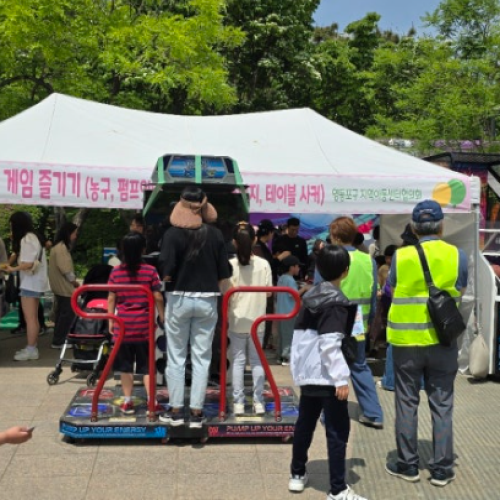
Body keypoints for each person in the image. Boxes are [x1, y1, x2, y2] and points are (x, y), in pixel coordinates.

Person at [385, 200, 467, 487]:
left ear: (414, 227)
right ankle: (442, 469)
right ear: (441, 225)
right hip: (443, 341)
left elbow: (392, 288)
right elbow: (460, 290)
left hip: (406, 342)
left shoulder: (400, 257)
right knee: (442, 403)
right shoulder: (458, 256)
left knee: (406, 402)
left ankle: (408, 465)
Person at [289, 244, 368, 500]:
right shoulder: (336, 302)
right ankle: (337, 489)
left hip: (308, 372)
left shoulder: (309, 297)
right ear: (345, 271)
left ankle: (297, 474)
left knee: (305, 424)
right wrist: (340, 378)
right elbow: (330, 343)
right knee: (337, 431)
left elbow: (301, 339)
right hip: (327, 375)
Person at [158, 186, 231, 428]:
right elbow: (224, 271)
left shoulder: (172, 234)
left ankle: (176, 410)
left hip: (178, 298)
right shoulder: (215, 234)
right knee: (202, 357)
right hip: (208, 298)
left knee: (176, 356)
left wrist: (169, 275)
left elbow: (165, 268)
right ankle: (197, 412)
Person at [323, 217, 384, 429]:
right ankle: (373, 414)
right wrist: (370, 322)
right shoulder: (368, 261)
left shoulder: (329, 258)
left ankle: (330, 415)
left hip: (333, 321)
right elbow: (373, 296)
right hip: (359, 322)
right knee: (359, 365)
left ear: (335, 236)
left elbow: (319, 293)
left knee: (330, 366)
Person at [107, 232, 164, 415]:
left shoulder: (116, 272)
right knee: (148, 367)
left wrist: (111, 319)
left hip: (123, 326)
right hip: (144, 326)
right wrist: (162, 315)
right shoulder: (150, 271)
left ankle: (127, 401)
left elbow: (111, 297)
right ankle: (152, 401)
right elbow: (157, 296)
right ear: (143, 249)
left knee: (125, 367)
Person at [228, 222, 272, 415]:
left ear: (234, 242)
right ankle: (258, 402)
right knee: (256, 361)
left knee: (238, 362)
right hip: (258, 320)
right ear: (254, 241)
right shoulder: (263, 264)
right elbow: (269, 293)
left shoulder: (230, 265)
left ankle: (238, 403)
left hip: (237, 319)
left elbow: (226, 292)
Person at [6, 212, 49, 361]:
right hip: (35, 282)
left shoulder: (27, 239)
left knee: (30, 318)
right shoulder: (33, 237)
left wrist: (12, 269)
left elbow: (28, 263)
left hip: (30, 282)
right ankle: (32, 347)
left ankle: (31, 349)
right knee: (33, 318)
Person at [48, 222, 79, 348]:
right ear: (68, 233)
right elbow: (65, 269)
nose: (76, 236)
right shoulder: (61, 248)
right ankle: (59, 341)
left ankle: (59, 339)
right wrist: (74, 282)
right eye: (74, 233)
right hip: (64, 288)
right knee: (66, 315)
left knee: (62, 314)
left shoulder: (57, 247)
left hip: (59, 287)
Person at [277, 255, 310, 365]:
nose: (299, 269)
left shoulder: (281, 278)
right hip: (289, 312)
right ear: (292, 267)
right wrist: (305, 288)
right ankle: (286, 357)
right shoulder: (290, 280)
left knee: (282, 335)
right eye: (297, 266)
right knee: (289, 336)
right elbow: (294, 294)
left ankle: (280, 356)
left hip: (280, 312)